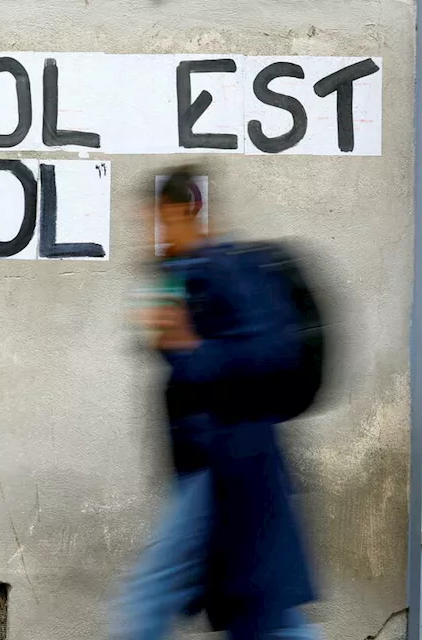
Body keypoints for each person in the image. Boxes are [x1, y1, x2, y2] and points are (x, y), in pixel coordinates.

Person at [115, 167, 319, 640]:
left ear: (185, 211)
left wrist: (189, 348)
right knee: (262, 616)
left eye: (158, 218)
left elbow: (273, 354)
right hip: (211, 465)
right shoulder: (182, 275)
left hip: (229, 464)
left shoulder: (229, 268)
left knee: (149, 594)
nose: (152, 231)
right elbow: (174, 358)